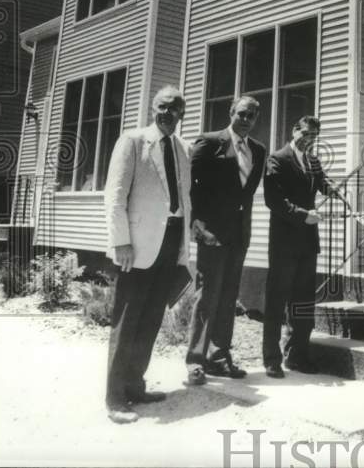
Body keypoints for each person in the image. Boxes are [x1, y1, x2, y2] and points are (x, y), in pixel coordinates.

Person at [103, 86, 192, 424]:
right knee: (127, 322)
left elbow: (183, 199)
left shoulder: (183, 149)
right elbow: (114, 196)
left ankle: (135, 386)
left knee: (152, 319)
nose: (168, 113)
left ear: (182, 113)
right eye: (163, 107)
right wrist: (121, 242)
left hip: (170, 243)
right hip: (137, 246)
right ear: (153, 107)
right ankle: (114, 397)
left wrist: (185, 242)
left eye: (175, 109)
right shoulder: (133, 141)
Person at [184, 95, 266, 385]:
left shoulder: (259, 150)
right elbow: (189, 187)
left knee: (229, 296)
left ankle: (219, 357)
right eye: (242, 113)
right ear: (231, 112)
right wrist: (198, 226)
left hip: (239, 235)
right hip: (212, 233)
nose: (247, 120)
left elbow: (247, 194)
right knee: (207, 296)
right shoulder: (209, 142)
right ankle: (196, 361)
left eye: (252, 116)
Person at [262, 115, 339, 377]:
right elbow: (274, 200)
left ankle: (297, 356)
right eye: (305, 134)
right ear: (295, 130)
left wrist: (333, 190)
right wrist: (303, 215)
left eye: (314, 137)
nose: (309, 140)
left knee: (304, 301)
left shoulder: (313, 161)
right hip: (284, 242)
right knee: (277, 300)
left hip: (308, 242)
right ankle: (271, 358)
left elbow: (322, 183)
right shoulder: (277, 159)